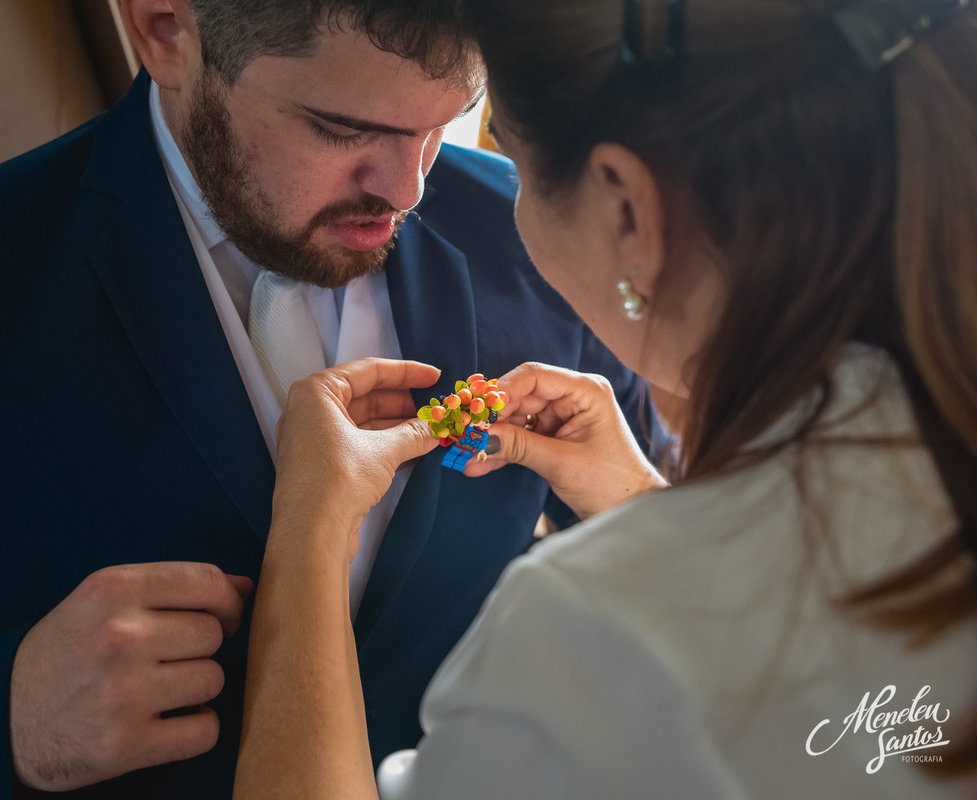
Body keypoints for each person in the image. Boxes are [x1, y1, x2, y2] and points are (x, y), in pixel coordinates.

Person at [0, 1, 657, 797]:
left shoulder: (536, 233)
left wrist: (638, 510)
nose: (410, 189)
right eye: (340, 125)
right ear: (166, 30)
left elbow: (689, 589)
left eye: (446, 123)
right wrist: (2, 719)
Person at [233, 0, 977, 796]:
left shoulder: (584, 628)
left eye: (500, 145)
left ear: (625, 206)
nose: (414, 191)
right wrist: (645, 511)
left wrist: (309, 538)